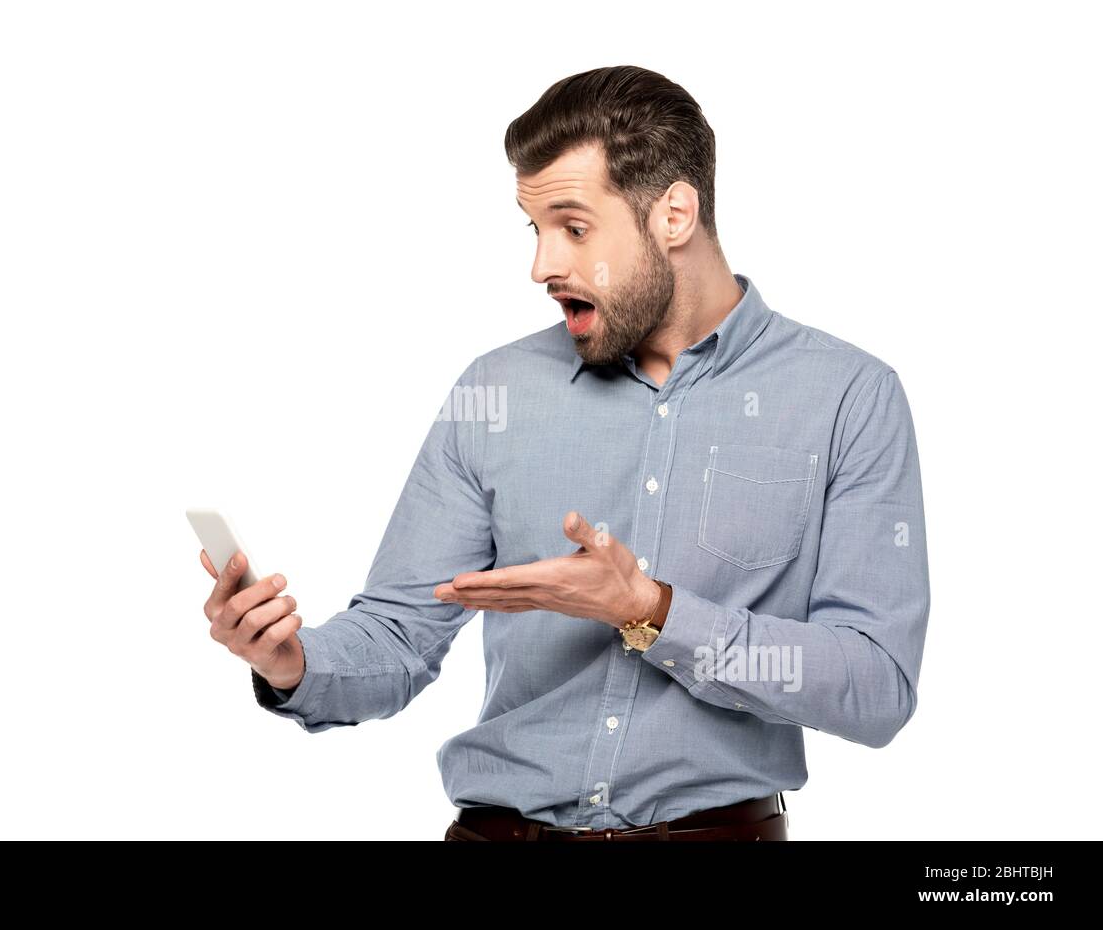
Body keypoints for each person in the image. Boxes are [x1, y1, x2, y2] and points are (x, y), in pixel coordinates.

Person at [199, 65, 930, 841]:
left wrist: (652, 612)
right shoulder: (497, 392)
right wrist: (291, 662)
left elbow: (876, 684)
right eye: (535, 229)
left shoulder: (849, 396)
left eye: (574, 228)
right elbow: (400, 634)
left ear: (674, 213)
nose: (543, 265)